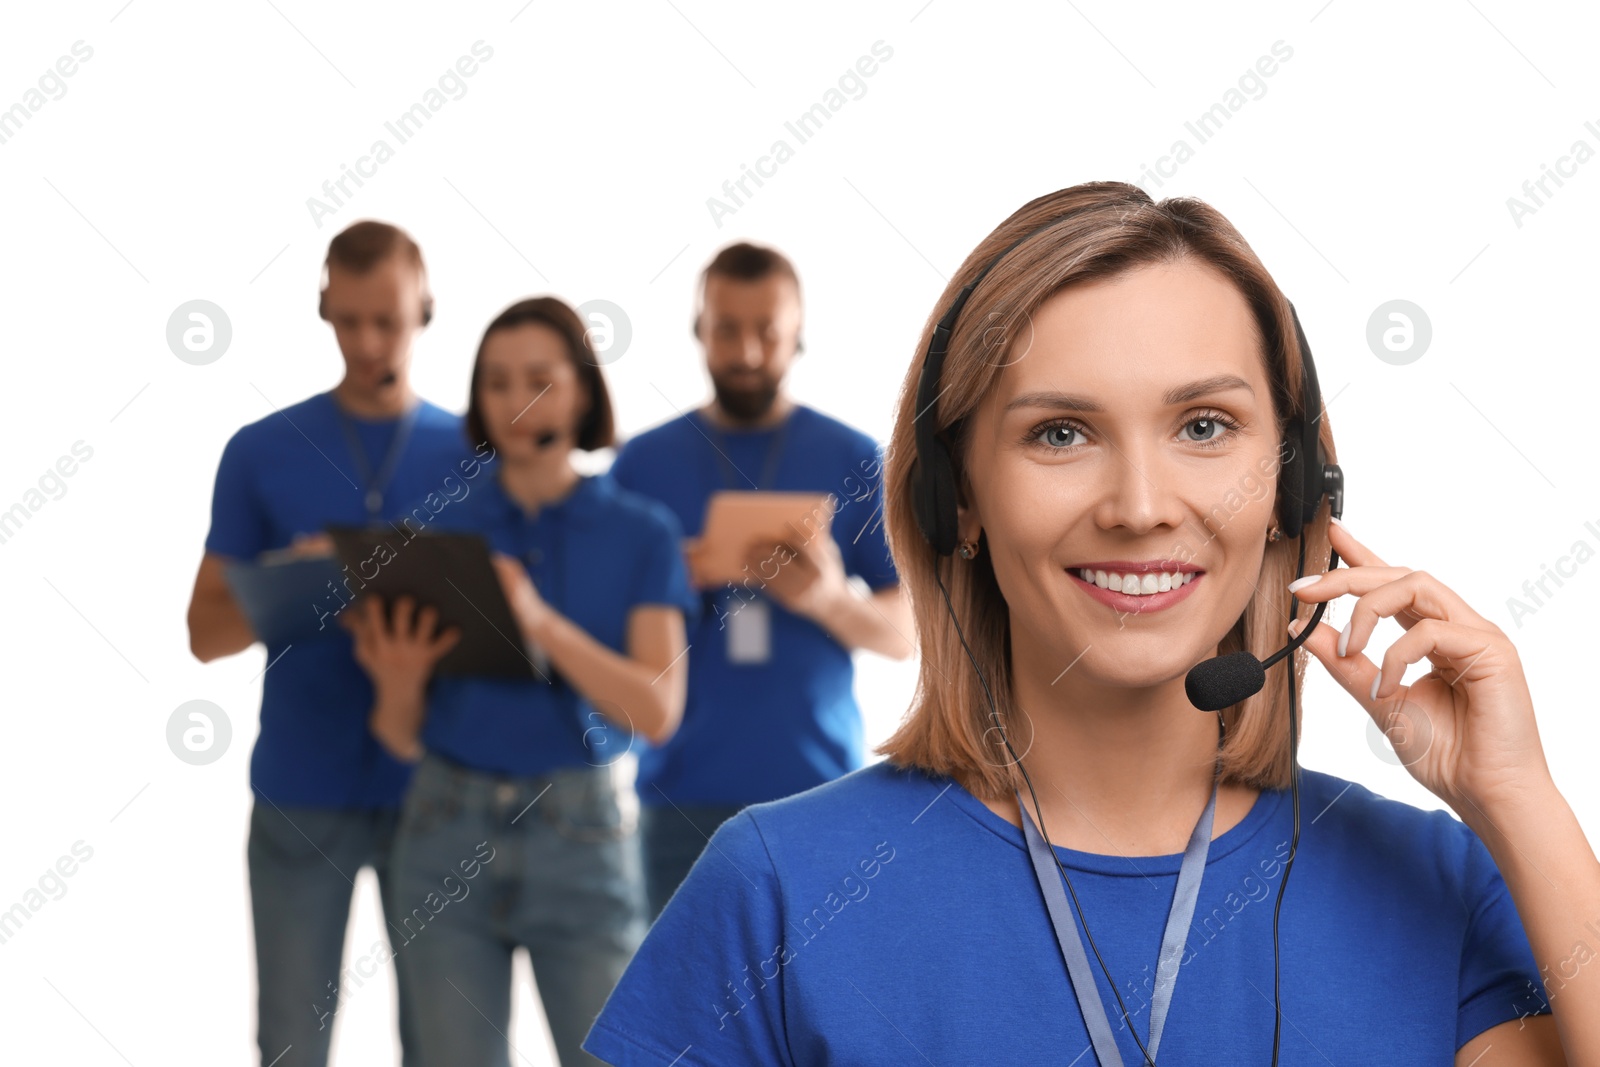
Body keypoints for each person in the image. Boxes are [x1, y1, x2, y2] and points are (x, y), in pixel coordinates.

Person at [582, 182, 1597, 1064]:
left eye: (1204, 425)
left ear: (1292, 486)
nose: (1139, 502)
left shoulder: (1436, 882)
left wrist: (1519, 798)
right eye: (1060, 432)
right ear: (956, 498)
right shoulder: (776, 889)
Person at [339, 296, 697, 1066]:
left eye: (539, 378)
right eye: (497, 382)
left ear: (582, 391)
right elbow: (399, 732)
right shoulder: (439, 529)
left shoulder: (642, 532)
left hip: (583, 834)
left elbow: (657, 709)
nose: (516, 400)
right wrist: (396, 680)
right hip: (442, 826)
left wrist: (535, 619)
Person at [187, 220, 469, 1067]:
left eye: (386, 320)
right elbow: (204, 635)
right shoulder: (260, 452)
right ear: (323, 311)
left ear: (425, 308)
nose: (367, 342)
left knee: (449, 1044)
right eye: (347, 321)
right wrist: (297, 575)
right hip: (300, 791)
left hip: (440, 791)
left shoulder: (477, 453)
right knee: (289, 1044)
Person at [608, 241, 915, 919]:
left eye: (765, 331)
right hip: (679, 797)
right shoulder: (641, 464)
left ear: (797, 334)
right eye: (726, 329)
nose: (746, 351)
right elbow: (595, 619)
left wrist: (827, 599)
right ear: (698, 330)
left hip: (819, 792)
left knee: (817, 1019)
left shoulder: (852, 457)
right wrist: (675, 580)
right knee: (684, 1024)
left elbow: (906, 634)